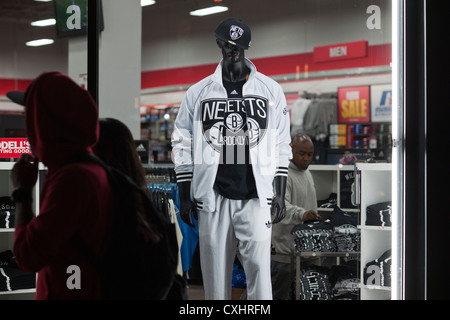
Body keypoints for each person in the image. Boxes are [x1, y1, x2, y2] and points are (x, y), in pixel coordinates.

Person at [171, 18, 292, 300]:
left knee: (260, 275)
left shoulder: (270, 90)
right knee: (215, 277)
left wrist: (280, 192)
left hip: (256, 196)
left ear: (247, 48)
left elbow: (281, 143)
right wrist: (186, 194)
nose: (231, 50)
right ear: (218, 44)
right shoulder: (198, 92)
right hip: (212, 195)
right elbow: (182, 143)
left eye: (238, 46)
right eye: (226, 44)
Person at [7, 71, 114, 299]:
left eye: (31, 116)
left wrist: (22, 191)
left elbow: (28, 256)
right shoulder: (90, 169)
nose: (27, 129)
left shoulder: (72, 180)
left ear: (44, 123)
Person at [271, 133, 322, 300]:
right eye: (302, 153)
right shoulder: (282, 175)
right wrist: (302, 214)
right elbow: (279, 207)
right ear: (290, 150)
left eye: (310, 154)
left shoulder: (307, 173)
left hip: (308, 252)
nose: (306, 159)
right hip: (285, 253)